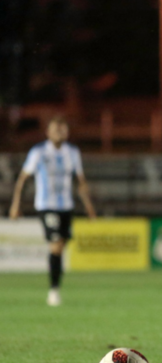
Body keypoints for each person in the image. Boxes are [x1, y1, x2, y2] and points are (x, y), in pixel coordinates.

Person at [9, 117, 96, 306]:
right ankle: (53, 291)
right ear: (48, 132)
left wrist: (89, 207)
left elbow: (80, 181)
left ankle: (55, 284)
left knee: (60, 247)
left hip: (66, 206)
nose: (60, 132)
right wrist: (16, 204)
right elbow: (23, 178)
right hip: (46, 205)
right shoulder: (38, 152)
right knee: (56, 245)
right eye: (56, 129)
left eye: (63, 129)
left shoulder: (72, 152)